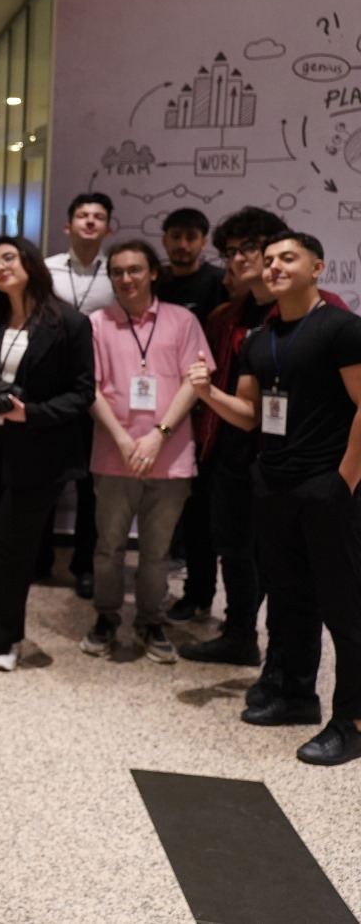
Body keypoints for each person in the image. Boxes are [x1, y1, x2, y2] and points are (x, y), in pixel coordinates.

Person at [189, 230, 361, 766]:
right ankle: (297, 697)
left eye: (288, 258)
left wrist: (343, 481)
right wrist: (207, 393)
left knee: (346, 609)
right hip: (275, 485)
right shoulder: (259, 340)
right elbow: (251, 414)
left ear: (317, 268)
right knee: (290, 599)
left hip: (328, 487)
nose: (274, 267)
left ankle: (352, 723)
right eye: (268, 260)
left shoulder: (342, 328)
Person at [0, 236, 96, 675]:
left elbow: (83, 393)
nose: (0, 267)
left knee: (12, 548)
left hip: (41, 453)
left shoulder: (70, 323)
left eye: (8, 258)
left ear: (30, 263)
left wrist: (31, 413)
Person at [79, 241, 210, 665]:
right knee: (108, 546)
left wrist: (158, 435)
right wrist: (122, 440)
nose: (126, 279)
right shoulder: (97, 324)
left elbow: (194, 382)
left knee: (157, 551)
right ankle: (106, 617)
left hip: (170, 457)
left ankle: (150, 621)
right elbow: (89, 389)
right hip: (113, 455)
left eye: (134, 269)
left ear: (153, 272)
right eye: (117, 272)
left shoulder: (182, 320)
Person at [181, 207, 292, 668]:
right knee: (233, 547)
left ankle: (284, 658)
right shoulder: (224, 317)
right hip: (229, 447)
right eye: (230, 252)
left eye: (249, 247)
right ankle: (239, 634)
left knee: (281, 556)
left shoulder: (313, 309)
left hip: (290, 453)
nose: (239, 258)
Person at [40, 192, 116, 599]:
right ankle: (39, 557)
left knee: (92, 483)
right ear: (67, 226)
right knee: (47, 476)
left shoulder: (118, 274)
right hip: (53, 387)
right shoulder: (45, 270)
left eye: (98, 216)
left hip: (99, 388)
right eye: (82, 215)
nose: (90, 221)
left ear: (108, 228)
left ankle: (84, 564)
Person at [155, 206, 228, 624]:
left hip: (208, 410)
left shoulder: (219, 284)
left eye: (191, 237)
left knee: (200, 511)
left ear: (204, 241)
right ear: (164, 239)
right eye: (176, 236)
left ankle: (199, 593)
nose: (183, 245)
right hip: (156, 407)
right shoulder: (155, 281)